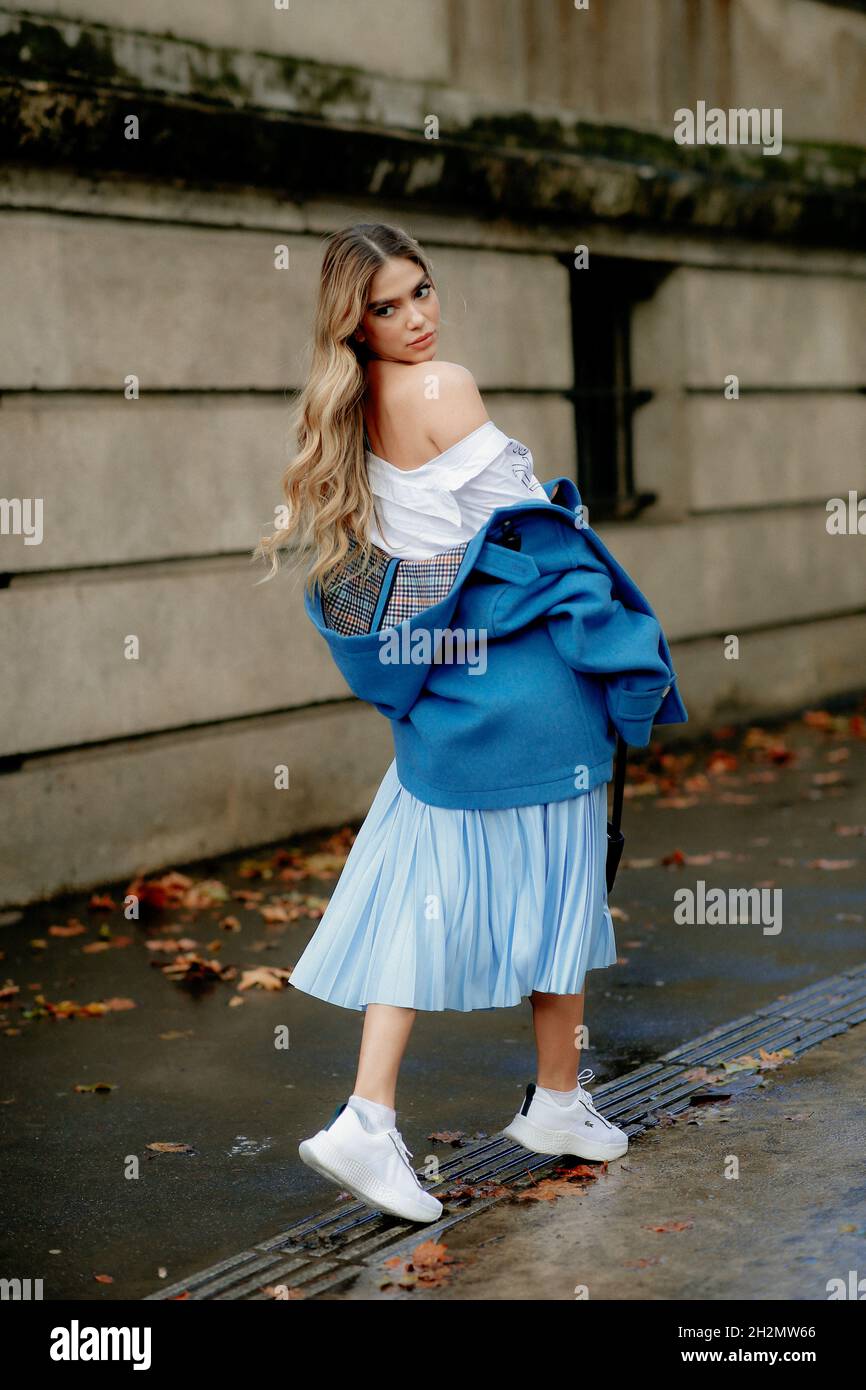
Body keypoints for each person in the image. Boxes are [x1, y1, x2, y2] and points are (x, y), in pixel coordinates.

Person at [253, 222, 687, 1225]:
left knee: (427, 894)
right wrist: (623, 649)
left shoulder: (350, 410)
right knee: (560, 882)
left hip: (447, 696)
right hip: (527, 689)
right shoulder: (444, 386)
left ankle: (542, 1102)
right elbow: (537, 539)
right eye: (387, 305)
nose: (415, 318)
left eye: (421, 291)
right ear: (351, 323)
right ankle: (444, 1111)